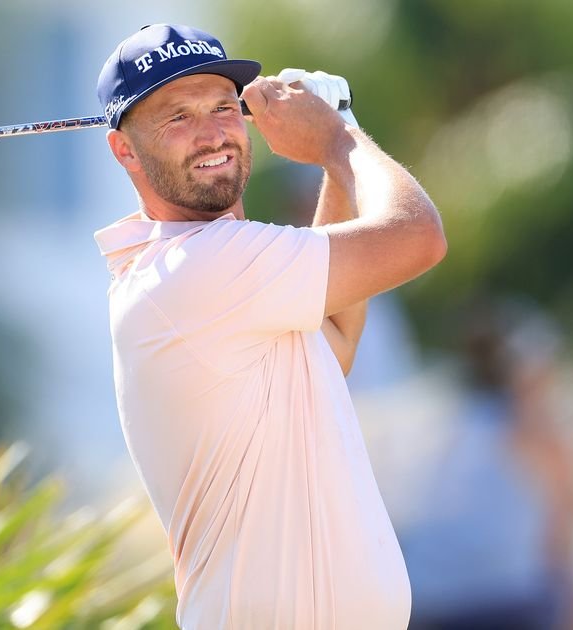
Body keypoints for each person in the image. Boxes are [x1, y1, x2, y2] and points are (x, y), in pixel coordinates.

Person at [92, 23, 447, 629]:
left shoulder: (233, 273)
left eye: (223, 108)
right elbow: (418, 237)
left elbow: (335, 341)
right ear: (125, 150)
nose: (212, 133)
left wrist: (335, 147)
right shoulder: (196, 266)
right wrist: (337, 138)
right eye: (178, 117)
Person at [400, 296, 573, 630]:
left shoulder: (439, 417)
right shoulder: (532, 429)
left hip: (426, 597)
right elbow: (562, 544)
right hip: (504, 600)